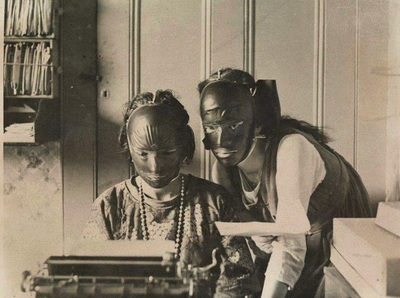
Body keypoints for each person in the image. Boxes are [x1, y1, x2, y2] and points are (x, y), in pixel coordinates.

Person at [198, 68, 372, 298]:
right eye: (211, 127)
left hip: (341, 262)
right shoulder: (222, 172)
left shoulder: (292, 148)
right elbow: (257, 241)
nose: (221, 139)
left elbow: (291, 243)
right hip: (286, 262)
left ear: (256, 121)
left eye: (233, 125)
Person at [81, 89, 259, 297]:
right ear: (129, 148)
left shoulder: (215, 202)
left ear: (184, 147)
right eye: (143, 154)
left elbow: (239, 284)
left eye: (167, 153)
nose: (155, 166)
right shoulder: (109, 206)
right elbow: (90, 282)